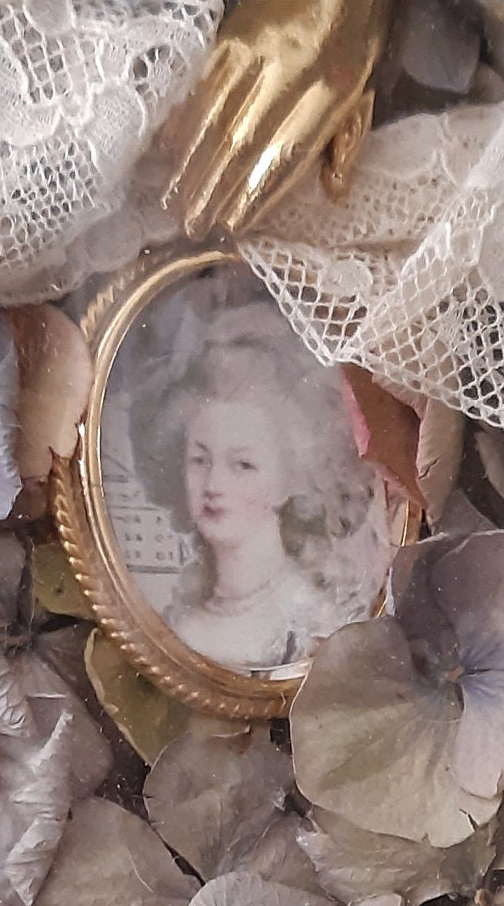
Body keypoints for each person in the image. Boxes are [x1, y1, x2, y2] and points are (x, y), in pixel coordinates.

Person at [108, 271, 391, 678]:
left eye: (243, 465)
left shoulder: (315, 618)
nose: (214, 485)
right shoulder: (177, 620)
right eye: (199, 460)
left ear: (291, 477)